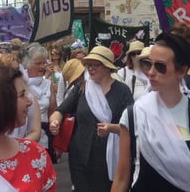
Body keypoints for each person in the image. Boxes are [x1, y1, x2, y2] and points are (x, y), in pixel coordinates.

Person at [112, 31, 190, 191]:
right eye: (148, 64)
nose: (151, 72)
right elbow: (122, 178)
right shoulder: (135, 114)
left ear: (181, 71)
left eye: (160, 67)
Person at [49, 46, 132, 191]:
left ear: (107, 67)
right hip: (79, 156)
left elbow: (131, 125)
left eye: (95, 65)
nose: (90, 69)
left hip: (108, 157)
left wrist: (112, 128)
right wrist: (55, 121)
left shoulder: (122, 91)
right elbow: (61, 110)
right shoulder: (82, 88)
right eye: (88, 65)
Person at [23, 44, 57, 157]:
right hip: (23, 137)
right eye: (38, 63)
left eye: (44, 63)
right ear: (27, 64)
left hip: (43, 138)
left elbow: (51, 112)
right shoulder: (20, 83)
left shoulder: (47, 83)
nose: (42, 67)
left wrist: (53, 96)